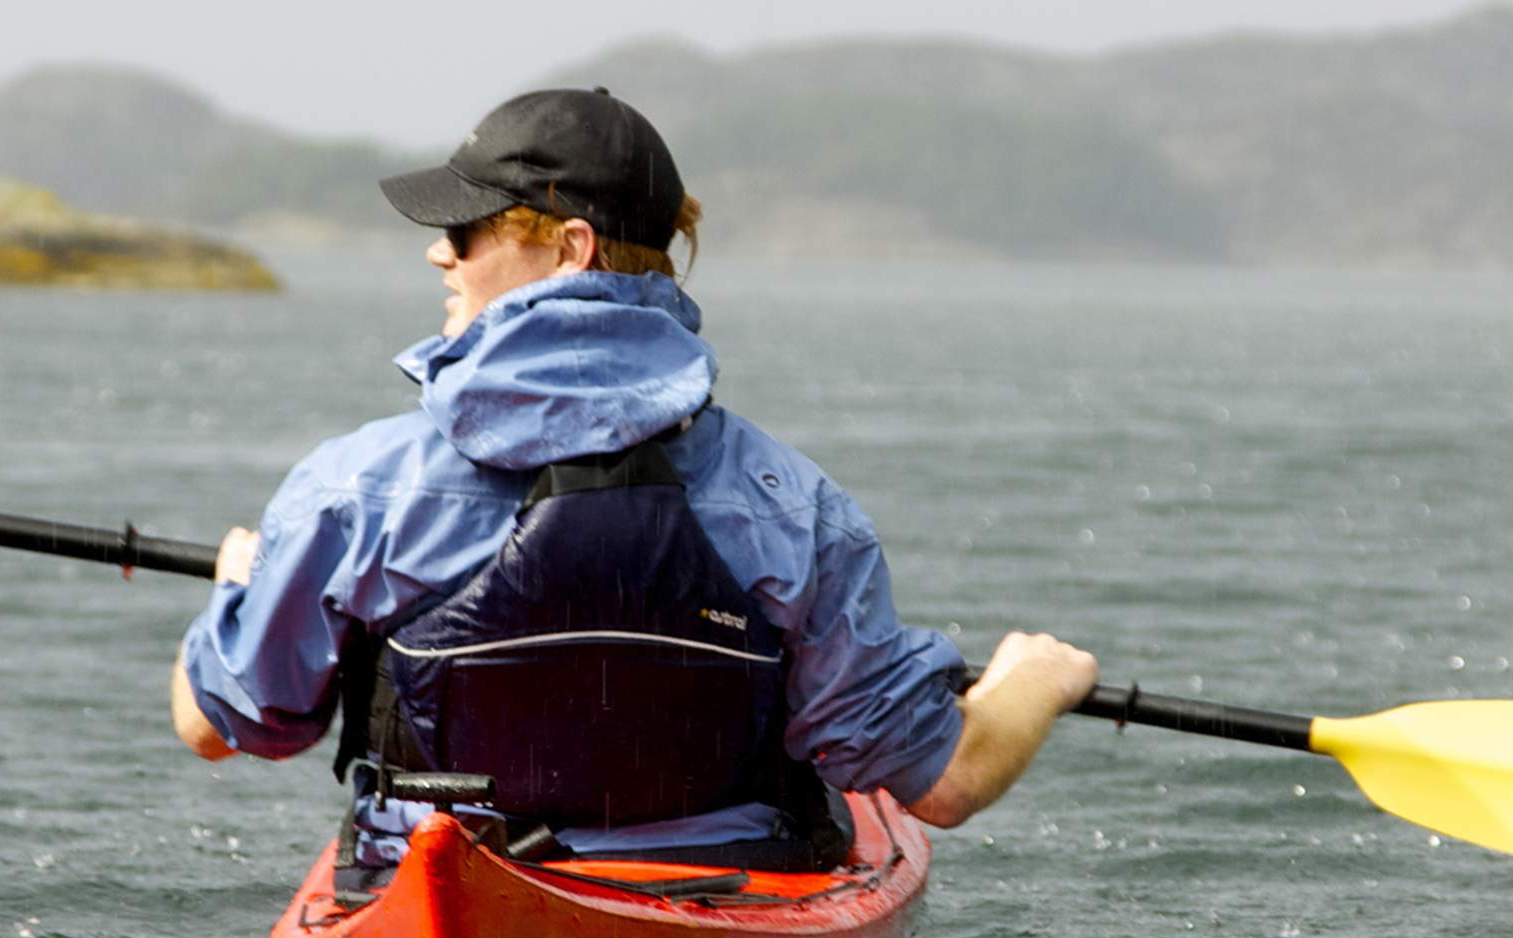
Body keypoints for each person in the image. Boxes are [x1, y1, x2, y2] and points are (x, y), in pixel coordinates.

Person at [170, 87, 1096, 872]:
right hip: (707, 896)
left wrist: (238, 586)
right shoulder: (796, 507)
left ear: (570, 248)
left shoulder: (356, 488)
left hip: (438, 889)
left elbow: (230, 725)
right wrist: (1033, 682)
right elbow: (946, 783)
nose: (438, 252)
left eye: (465, 227)